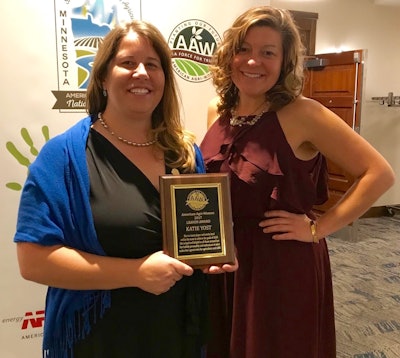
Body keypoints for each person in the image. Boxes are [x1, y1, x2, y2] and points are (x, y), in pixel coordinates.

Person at [14, 20, 237, 358]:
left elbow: (190, 239)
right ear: (103, 76)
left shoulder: (185, 153)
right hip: (102, 336)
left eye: (153, 64)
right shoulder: (63, 157)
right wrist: (135, 274)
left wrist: (210, 255)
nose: (141, 73)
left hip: (176, 331)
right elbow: (33, 261)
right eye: (128, 63)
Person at [200, 6, 395, 358]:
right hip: (227, 260)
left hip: (280, 261)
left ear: (285, 61)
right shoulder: (218, 110)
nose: (252, 61)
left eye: (268, 52)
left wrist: (318, 228)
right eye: (243, 49)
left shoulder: (304, 114)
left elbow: (379, 173)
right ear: (230, 55)